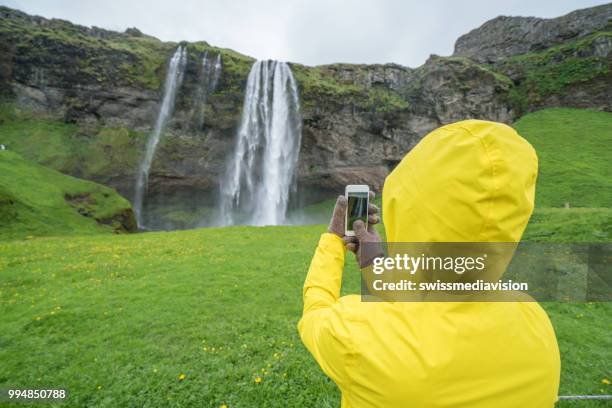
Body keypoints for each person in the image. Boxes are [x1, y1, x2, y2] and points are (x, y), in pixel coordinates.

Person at [298, 120, 560, 407]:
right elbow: (439, 297)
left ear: (408, 210)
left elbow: (316, 313)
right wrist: (374, 262)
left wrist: (334, 239)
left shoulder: (359, 338)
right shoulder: (535, 322)